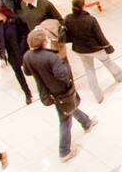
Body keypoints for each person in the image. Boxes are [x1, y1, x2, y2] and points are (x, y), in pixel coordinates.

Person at [22, 28, 95, 161]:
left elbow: (27, 72)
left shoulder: (27, 56)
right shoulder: (50, 57)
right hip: (61, 91)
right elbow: (62, 75)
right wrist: (64, 65)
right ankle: (64, 151)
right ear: (44, 41)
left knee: (68, 109)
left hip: (47, 92)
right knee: (65, 119)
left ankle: (86, 122)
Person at [62, 0, 122, 104]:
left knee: (89, 70)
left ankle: (98, 95)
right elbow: (99, 36)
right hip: (95, 49)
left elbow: (67, 35)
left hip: (80, 49)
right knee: (107, 61)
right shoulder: (90, 19)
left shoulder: (68, 18)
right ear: (83, 6)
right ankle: (119, 76)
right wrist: (107, 46)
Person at [0, 0, 32, 104]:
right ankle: (27, 93)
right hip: (10, 52)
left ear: (4, 13)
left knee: (32, 70)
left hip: (21, 50)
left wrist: (22, 46)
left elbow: (24, 33)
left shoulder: (16, 20)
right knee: (18, 73)